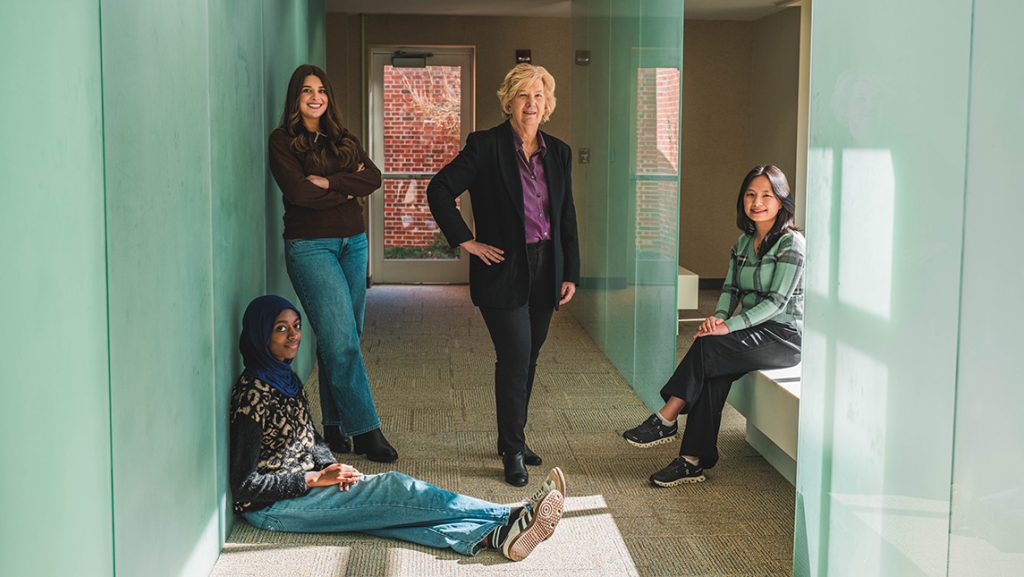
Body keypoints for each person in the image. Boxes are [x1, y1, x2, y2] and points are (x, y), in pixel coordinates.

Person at [230, 295, 567, 561]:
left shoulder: (283, 377)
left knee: (392, 515)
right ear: (261, 334)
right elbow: (245, 486)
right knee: (396, 489)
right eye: (281, 329)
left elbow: (311, 436)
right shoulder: (252, 394)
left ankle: (495, 537)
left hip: (309, 487)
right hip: (275, 509)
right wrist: (314, 479)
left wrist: (328, 463)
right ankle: (512, 512)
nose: (294, 336)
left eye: (296, 325)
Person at [427, 64, 580, 487]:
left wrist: (571, 271)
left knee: (529, 358)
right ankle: (512, 449)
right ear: (509, 101)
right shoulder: (485, 146)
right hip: (502, 270)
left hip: (547, 267)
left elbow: (566, 215)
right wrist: (466, 241)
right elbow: (439, 189)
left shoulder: (559, 153)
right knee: (514, 357)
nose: (532, 104)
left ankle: (512, 435)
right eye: (524, 95)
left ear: (547, 105)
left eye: (539, 96)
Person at [622, 165, 804, 487]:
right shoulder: (743, 242)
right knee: (712, 367)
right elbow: (730, 289)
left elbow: (776, 302)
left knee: (709, 347)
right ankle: (691, 460)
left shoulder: (792, 244)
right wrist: (717, 318)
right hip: (749, 331)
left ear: (781, 201)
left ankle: (667, 416)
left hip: (784, 336)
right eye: (750, 194)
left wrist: (728, 326)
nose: (757, 202)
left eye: (766, 195)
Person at [268, 64, 397, 462]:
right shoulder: (282, 141)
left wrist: (330, 182)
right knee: (341, 340)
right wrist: (344, 188)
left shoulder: (342, 139)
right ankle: (367, 430)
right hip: (311, 247)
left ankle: (335, 427)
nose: (315, 96)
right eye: (307, 90)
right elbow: (298, 193)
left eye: (321, 90)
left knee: (342, 337)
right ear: (296, 97)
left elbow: (372, 178)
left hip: (353, 243)